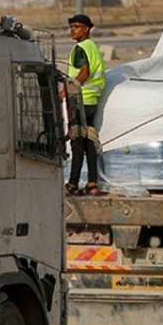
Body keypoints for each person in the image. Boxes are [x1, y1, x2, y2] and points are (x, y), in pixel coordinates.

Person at [63, 13, 106, 196]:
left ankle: (72, 183)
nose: (73, 30)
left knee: (77, 141)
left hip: (80, 99)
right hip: (92, 100)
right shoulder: (92, 47)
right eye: (71, 27)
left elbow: (84, 72)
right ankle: (92, 183)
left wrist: (65, 91)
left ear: (86, 29)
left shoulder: (80, 48)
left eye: (77, 27)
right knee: (89, 141)